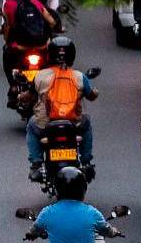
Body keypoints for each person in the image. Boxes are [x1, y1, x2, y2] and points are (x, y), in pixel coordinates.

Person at [19, 36, 99, 181]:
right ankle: (86, 161)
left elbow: (29, 96)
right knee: (86, 123)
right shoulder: (79, 77)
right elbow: (92, 96)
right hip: (74, 124)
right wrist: (93, 92)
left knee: (31, 125)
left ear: (49, 54)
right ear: (72, 55)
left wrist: (20, 97)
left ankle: (36, 163)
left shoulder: (40, 76)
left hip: (46, 125)